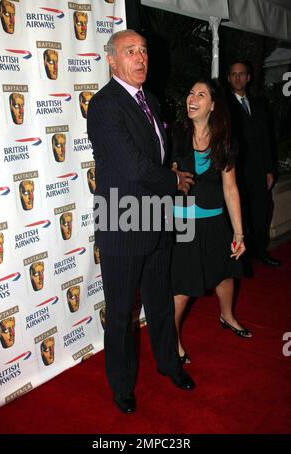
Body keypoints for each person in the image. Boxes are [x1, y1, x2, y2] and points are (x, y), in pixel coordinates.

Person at [87, 29, 195, 414]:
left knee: (160, 302)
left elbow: (155, 155)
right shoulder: (103, 105)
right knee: (119, 314)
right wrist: (174, 180)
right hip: (122, 223)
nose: (140, 58)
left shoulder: (150, 99)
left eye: (144, 51)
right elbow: (131, 167)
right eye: (130, 51)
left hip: (156, 219)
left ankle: (169, 364)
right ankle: (122, 386)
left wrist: (170, 169)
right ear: (112, 61)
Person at [171, 78, 252, 363]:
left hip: (215, 220)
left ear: (213, 105)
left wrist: (239, 233)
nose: (192, 98)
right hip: (183, 225)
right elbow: (161, 174)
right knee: (180, 289)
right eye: (191, 93)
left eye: (201, 95)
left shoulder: (223, 141)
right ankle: (174, 342)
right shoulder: (175, 135)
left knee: (225, 276)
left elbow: (230, 188)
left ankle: (227, 316)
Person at [226, 61, 281, 267]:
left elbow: (267, 139)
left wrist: (269, 169)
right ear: (229, 78)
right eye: (234, 74)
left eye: (242, 74)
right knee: (242, 214)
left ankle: (261, 252)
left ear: (249, 78)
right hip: (235, 172)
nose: (238, 78)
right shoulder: (224, 106)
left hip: (258, 170)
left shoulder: (259, 104)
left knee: (262, 211)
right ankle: (243, 257)